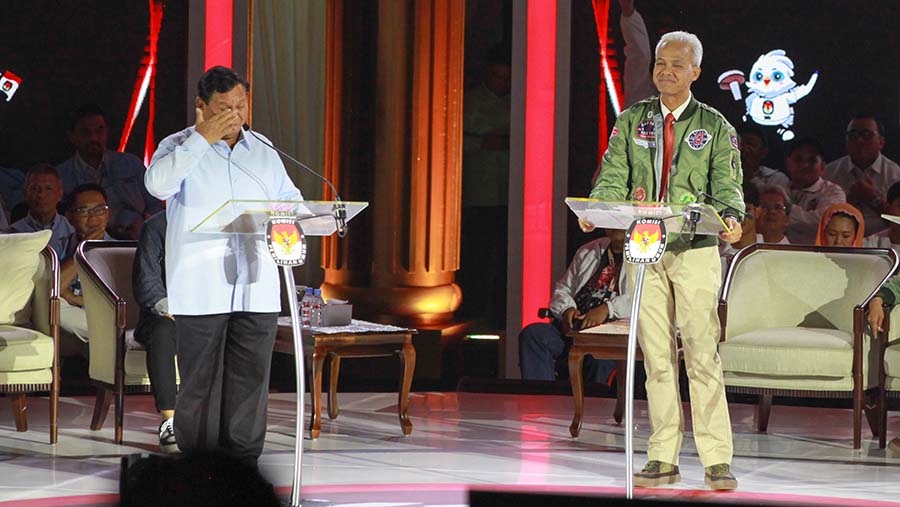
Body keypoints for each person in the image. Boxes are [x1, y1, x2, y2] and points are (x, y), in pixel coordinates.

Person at [586, 31, 743, 490]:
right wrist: (597, 210)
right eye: (660, 63)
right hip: (644, 243)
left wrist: (731, 219)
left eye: (677, 65)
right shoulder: (633, 120)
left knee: (700, 352)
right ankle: (662, 454)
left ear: (695, 72)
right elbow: (613, 170)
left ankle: (716, 458)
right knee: (655, 355)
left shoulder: (714, 125)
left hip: (694, 249)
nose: (666, 71)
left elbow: (727, 185)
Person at [145, 66, 303, 467]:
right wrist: (203, 139)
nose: (235, 115)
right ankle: (199, 470)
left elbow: (291, 200)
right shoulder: (178, 145)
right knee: (199, 384)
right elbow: (157, 186)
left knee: (250, 382)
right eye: (223, 108)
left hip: (258, 284)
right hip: (202, 287)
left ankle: (243, 467)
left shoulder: (263, 149)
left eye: (241, 105)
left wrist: (299, 215)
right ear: (202, 106)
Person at [519, 230, 628, 383]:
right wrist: (567, 310)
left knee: (600, 356)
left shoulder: (646, 254)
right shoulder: (589, 250)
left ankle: (591, 405)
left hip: (610, 333)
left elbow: (645, 298)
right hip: (575, 327)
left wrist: (607, 309)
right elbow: (562, 289)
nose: (615, 227)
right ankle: (542, 397)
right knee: (533, 335)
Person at [459, 44, 511, 330]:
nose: (502, 83)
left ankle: (498, 316)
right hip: (477, 197)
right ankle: (474, 314)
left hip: (509, 198)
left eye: (506, 77)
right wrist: (482, 142)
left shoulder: (519, 103)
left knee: (503, 263)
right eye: (497, 76)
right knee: (476, 259)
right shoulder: (470, 102)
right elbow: (450, 143)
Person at [56, 104, 164, 239]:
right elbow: (59, 222)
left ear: (107, 132)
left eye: (99, 131)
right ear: (72, 136)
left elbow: (156, 206)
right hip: (88, 244)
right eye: (86, 132)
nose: (94, 138)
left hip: (137, 241)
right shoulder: (61, 176)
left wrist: (145, 227)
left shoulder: (131, 164)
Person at [132, 211, 179, 454]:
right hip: (161, 315)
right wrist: (169, 309)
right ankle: (169, 420)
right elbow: (146, 279)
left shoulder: (217, 222)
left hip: (203, 315)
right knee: (163, 330)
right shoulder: (157, 225)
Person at [58, 184, 113, 355]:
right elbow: (55, 289)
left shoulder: (121, 248)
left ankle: (106, 338)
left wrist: (74, 298)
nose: (93, 218)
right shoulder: (58, 246)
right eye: (84, 211)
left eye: (100, 210)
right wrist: (81, 250)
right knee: (53, 305)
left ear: (108, 214)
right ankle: (111, 338)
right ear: (69, 217)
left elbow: (121, 302)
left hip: (107, 316)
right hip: (71, 324)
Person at [824, 115, 900, 236]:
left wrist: (874, 200)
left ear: (881, 142)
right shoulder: (829, 172)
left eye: (866, 135)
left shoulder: (895, 175)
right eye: (853, 135)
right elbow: (820, 221)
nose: (859, 140)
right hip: (839, 241)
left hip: (883, 244)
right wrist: (846, 203)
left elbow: (898, 222)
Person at [785, 138, 846, 244]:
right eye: (798, 160)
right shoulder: (779, 190)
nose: (804, 165)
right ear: (788, 164)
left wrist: (787, 209)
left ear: (822, 167)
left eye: (812, 161)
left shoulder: (834, 192)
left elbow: (824, 223)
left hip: (819, 254)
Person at [9, 164, 75, 260]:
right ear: (25, 193)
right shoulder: (11, 235)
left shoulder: (73, 229)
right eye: (35, 188)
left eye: (48, 188)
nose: (41, 195)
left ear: (60, 193)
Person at [737, 125, 789, 191]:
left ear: (763, 152)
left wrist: (749, 176)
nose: (743, 148)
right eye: (740, 143)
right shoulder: (722, 172)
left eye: (750, 144)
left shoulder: (777, 178)